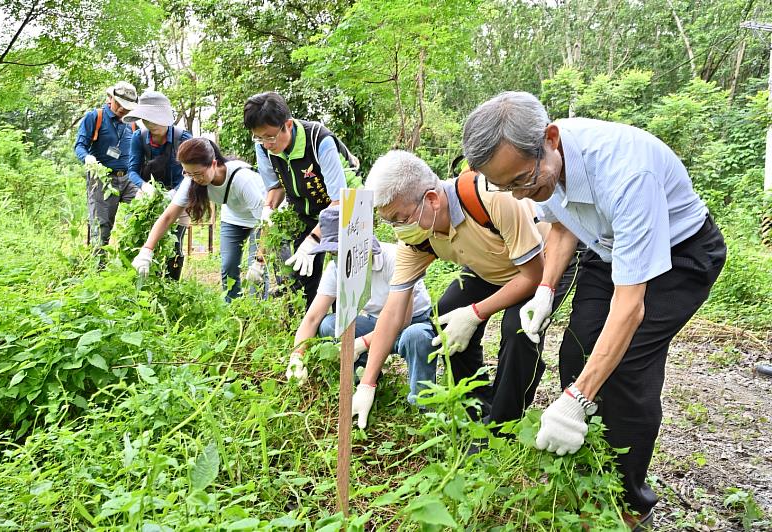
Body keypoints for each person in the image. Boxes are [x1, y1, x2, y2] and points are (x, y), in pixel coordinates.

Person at [462, 91, 727, 529]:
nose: (520, 194)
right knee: (577, 348)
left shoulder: (626, 173)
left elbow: (629, 308)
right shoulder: (538, 167)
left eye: (522, 182)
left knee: (625, 368)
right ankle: (586, 464)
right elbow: (563, 222)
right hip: (606, 247)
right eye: (504, 187)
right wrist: (545, 290)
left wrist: (577, 398)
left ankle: (628, 502)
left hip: (680, 254)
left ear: (550, 138)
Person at [351, 150, 572, 430]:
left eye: (400, 218)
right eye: (389, 222)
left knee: (519, 329)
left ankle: (503, 425)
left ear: (431, 200)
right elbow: (394, 311)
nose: (397, 230)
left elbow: (533, 275)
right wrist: (368, 382)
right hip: (489, 268)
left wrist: (476, 312)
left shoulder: (492, 198)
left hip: (541, 265)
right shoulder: (417, 239)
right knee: (446, 316)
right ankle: (476, 406)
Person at [286, 206, 435, 405]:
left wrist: (362, 343)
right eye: (333, 251)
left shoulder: (395, 259)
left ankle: (423, 404)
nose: (336, 256)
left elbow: (401, 322)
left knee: (415, 337)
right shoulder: (338, 267)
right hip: (375, 322)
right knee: (329, 324)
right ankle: (367, 383)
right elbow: (313, 318)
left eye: (340, 250)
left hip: (410, 324)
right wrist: (297, 356)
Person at [243, 91, 358, 307]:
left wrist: (313, 241)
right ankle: (305, 333)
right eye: (258, 137)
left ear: (287, 124)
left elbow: (340, 202)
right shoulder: (263, 147)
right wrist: (260, 258)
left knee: (341, 278)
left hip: (344, 209)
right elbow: (275, 190)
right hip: (303, 211)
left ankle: (338, 334)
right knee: (302, 281)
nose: (266, 143)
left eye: (270, 136)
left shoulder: (318, 140)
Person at [131, 138, 266, 301]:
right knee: (228, 267)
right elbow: (168, 217)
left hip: (261, 220)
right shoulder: (191, 181)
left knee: (257, 272)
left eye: (198, 173)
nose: (195, 178)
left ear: (214, 164)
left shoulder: (243, 179)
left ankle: (257, 310)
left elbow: (266, 223)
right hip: (234, 217)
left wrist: (259, 261)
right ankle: (234, 310)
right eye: (188, 173)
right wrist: (147, 250)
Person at [122, 90, 193, 280]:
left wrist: (175, 193)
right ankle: (140, 278)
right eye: (146, 120)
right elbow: (132, 170)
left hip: (179, 192)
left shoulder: (183, 138)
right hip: (148, 193)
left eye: (154, 120)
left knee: (175, 243)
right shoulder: (139, 137)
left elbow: (191, 173)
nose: (150, 125)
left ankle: (170, 283)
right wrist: (145, 187)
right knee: (136, 233)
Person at [74, 81, 139, 250]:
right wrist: (87, 157)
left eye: (127, 107)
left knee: (143, 209)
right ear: (110, 98)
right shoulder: (95, 117)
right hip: (102, 180)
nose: (123, 110)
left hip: (128, 178)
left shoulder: (131, 123)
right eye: (120, 104)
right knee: (102, 226)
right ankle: (98, 269)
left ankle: (134, 259)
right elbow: (79, 146)